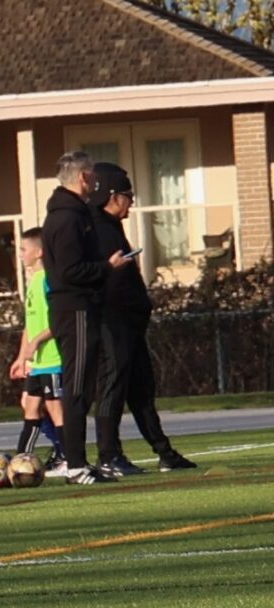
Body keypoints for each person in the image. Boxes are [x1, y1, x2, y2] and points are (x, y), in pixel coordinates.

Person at [89, 162, 195, 477]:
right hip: (112, 322)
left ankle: (164, 452)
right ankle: (108, 455)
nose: (131, 201)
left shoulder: (111, 226)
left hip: (129, 324)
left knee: (141, 389)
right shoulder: (95, 227)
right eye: (127, 194)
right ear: (111, 195)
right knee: (112, 387)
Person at [38, 149, 113, 483]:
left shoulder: (74, 213)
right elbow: (70, 271)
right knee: (77, 387)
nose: (96, 180)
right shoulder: (66, 219)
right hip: (75, 308)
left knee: (82, 386)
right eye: (93, 174)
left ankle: (80, 461)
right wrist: (107, 267)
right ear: (83, 177)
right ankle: (76, 464)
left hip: (81, 307)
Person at [6, 229, 66, 462]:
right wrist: (23, 357)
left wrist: (38, 342)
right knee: (29, 406)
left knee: (55, 409)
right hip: (38, 362)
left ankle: (68, 457)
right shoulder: (32, 281)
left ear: (39, 252)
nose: (20, 254)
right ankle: (22, 459)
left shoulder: (50, 280)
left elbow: (61, 321)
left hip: (53, 359)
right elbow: (30, 325)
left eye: (23, 249)